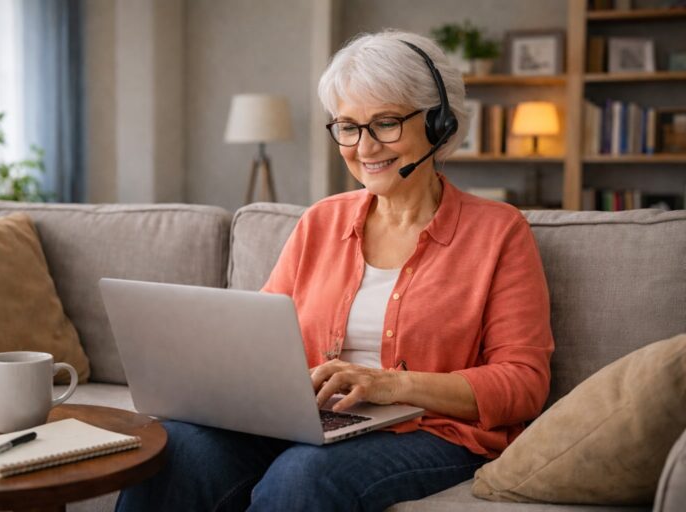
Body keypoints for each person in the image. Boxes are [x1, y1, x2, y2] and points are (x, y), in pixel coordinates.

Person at [115, 29, 554, 512]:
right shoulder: (321, 220)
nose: (364, 148)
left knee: (302, 477)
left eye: (385, 123)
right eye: (348, 126)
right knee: (174, 448)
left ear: (439, 124)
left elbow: (524, 383)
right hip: (312, 420)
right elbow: (257, 337)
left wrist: (390, 384)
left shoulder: (499, 232)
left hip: (433, 431)